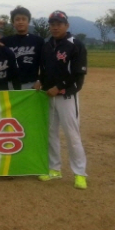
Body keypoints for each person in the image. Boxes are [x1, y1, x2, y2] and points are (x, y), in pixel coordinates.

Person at [35, 10, 88, 190]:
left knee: (72, 134)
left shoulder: (75, 44)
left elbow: (78, 73)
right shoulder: (47, 45)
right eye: (52, 24)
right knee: (51, 134)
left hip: (66, 96)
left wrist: (59, 86)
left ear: (66, 25)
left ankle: (80, 173)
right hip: (48, 95)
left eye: (59, 24)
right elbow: (44, 70)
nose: (55, 27)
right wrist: (40, 81)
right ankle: (54, 169)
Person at [1, 6, 45, 89]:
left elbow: (44, 64)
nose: (20, 22)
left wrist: (40, 80)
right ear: (13, 22)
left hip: (32, 84)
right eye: (17, 19)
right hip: (10, 85)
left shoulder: (38, 41)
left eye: (24, 19)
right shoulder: (5, 41)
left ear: (28, 21)